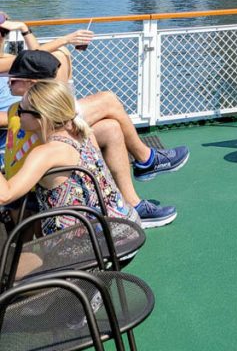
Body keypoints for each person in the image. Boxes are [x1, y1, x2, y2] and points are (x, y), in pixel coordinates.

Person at [2, 49, 179, 228]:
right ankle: (144, 165)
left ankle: (133, 194)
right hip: (26, 184)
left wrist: (61, 43)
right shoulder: (24, 113)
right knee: (108, 105)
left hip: (28, 185)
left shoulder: (28, 119)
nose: (8, 81)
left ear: (33, 84)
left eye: (14, 79)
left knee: (111, 127)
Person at [0, 13, 188, 180]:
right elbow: (37, 57)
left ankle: (129, 202)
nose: (3, 38)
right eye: (1, 32)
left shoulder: (5, 58)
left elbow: (35, 59)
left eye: (4, 33)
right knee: (108, 100)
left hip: (36, 118)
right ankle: (147, 159)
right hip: (26, 128)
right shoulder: (5, 67)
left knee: (111, 128)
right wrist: (66, 39)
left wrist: (25, 29)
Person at [0, 78, 141, 236]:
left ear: (41, 118)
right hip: (124, 227)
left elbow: (5, 196)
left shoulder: (46, 153)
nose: (17, 116)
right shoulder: (83, 133)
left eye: (21, 111)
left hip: (93, 244)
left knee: (16, 257)